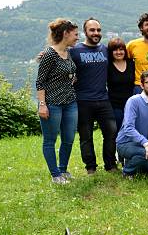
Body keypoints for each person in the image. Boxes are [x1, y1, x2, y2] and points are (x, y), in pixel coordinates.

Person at [69, 18, 118, 174]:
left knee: (111, 132)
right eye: (92, 30)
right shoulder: (75, 51)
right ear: (85, 32)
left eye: (98, 30)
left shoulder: (105, 50)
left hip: (103, 99)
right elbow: (60, 57)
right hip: (82, 101)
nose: (96, 33)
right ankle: (91, 167)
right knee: (86, 136)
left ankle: (110, 165)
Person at [36, 19, 79, 184]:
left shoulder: (68, 53)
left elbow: (69, 74)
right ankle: (55, 175)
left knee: (68, 138)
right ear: (65, 33)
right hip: (52, 104)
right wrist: (42, 105)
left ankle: (63, 170)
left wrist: (71, 78)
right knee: (50, 140)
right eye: (75, 34)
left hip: (70, 102)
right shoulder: (49, 54)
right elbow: (40, 82)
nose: (77, 38)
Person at [115, 71, 148, 179]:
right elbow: (128, 128)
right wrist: (147, 144)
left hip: (142, 146)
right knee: (145, 154)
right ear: (142, 85)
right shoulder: (133, 101)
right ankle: (127, 171)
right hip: (125, 143)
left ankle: (137, 163)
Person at [107, 37, 135, 134]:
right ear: (111, 52)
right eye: (115, 50)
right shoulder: (108, 65)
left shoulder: (132, 64)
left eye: (121, 49)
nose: (118, 52)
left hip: (131, 105)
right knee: (118, 132)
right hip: (115, 106)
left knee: (132, 131)